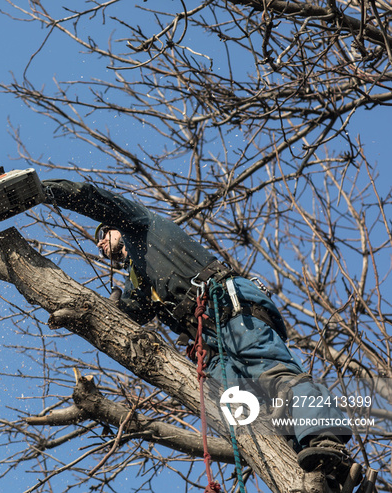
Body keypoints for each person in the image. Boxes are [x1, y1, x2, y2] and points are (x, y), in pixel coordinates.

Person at [42, 178, 356, 487]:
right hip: (207, 341)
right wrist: (109, 307)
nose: (99, 242)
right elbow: (130, 314)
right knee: (247, 413)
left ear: (118, 225)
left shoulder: (142, 225)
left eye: (103, 233)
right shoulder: (137, 280)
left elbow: (94, 199)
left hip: (227, 306)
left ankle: (326, 441)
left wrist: (43, 192)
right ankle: (321, 473)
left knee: (272, 375)